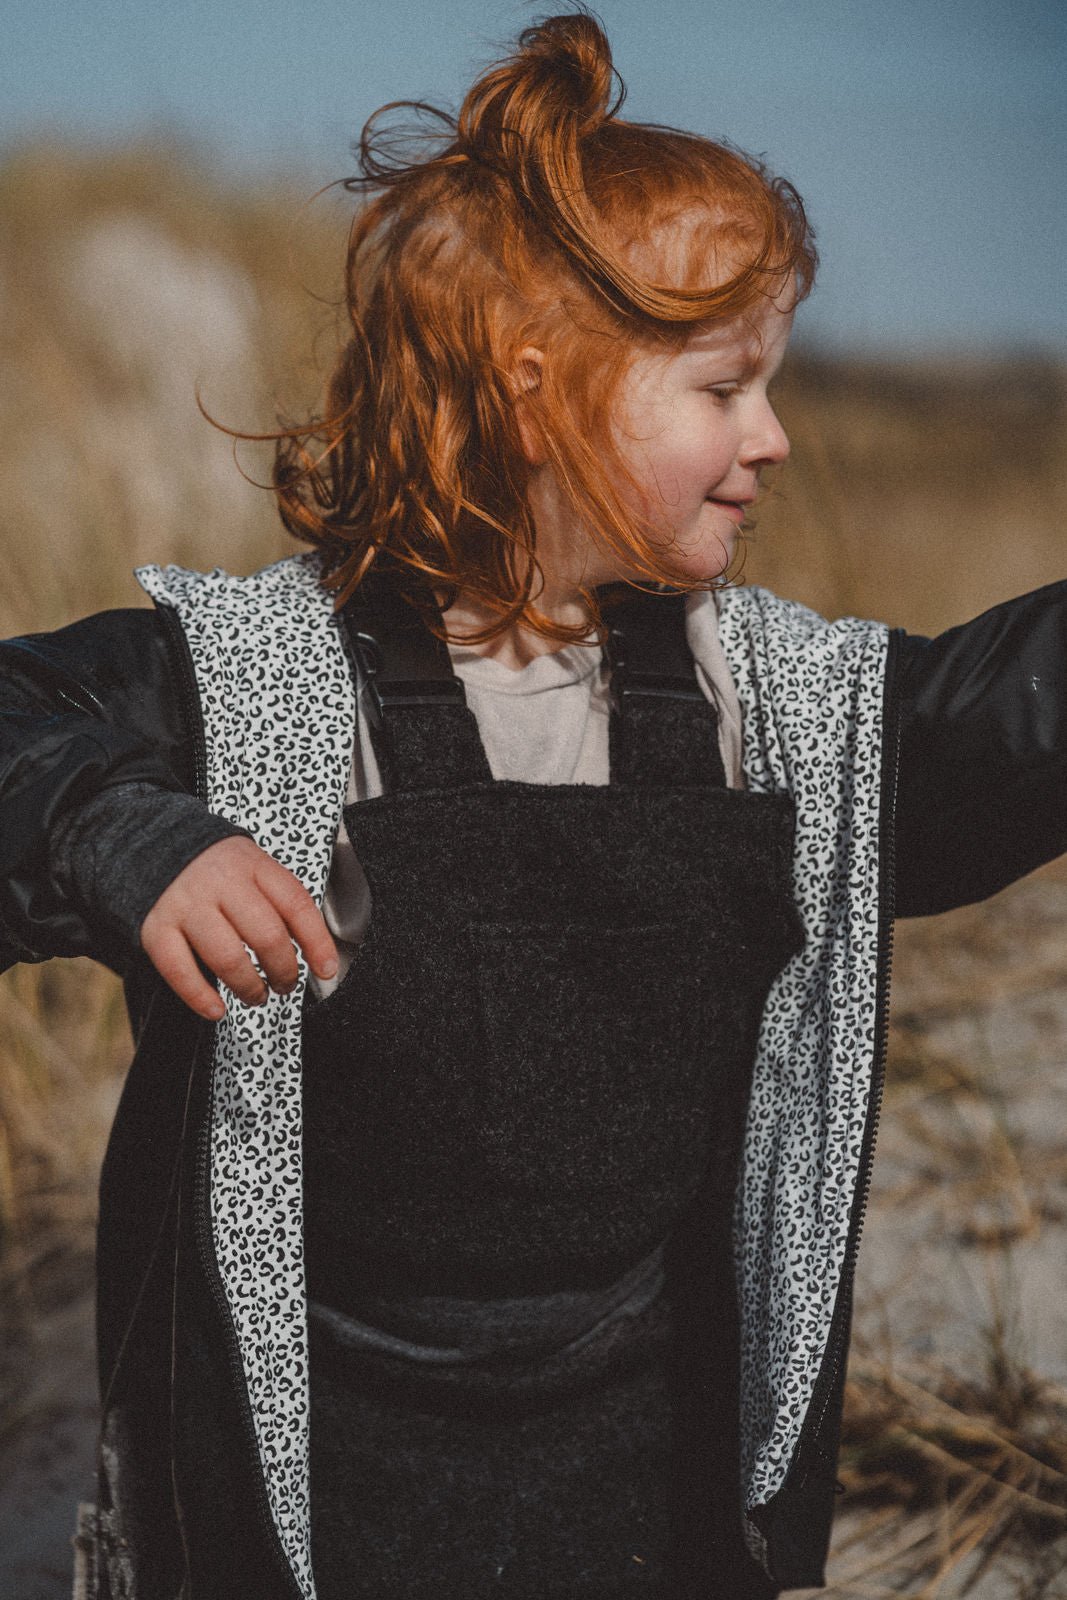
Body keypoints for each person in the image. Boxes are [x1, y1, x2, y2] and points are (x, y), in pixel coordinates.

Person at [2, 11, 1065, 1600]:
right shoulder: (252, 679)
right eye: (724, 387)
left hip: (647, 1459)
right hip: (313, 1471)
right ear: (535, 387)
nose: (772, 437)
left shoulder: (767, 699)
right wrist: (130, 834)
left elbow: (995, 727)